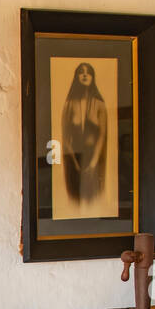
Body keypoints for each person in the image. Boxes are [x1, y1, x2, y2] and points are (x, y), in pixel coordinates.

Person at [61, 62, 107, 204]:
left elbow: (102, 136)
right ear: (76, 77)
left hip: (93, 159)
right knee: (75, 197)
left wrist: (93, 163)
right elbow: (65, 136)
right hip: (74, 160)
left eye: (88, 72)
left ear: (93, 77)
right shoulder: (69, 104)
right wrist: (75, 162)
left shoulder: (99, 104)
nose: (85, 74)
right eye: (81, 72)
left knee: (92, 197)